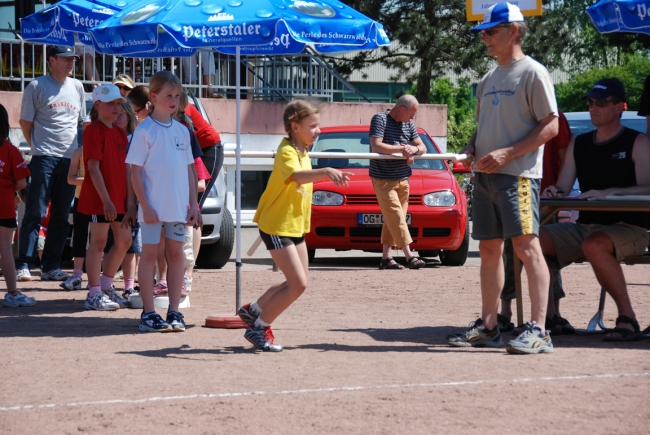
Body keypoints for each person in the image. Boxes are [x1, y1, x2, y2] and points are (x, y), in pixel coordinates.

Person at [445, 2, 559, 355]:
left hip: (518, 177)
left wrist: (508, 154)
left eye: (491, 31)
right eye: (482, 32)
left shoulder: (533, 72)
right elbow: (482, 131)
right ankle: (489, 326)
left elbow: (551, 125)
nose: (484, 38)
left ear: (513, 31)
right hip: (485, 176)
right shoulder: (487, 79)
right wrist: (469, 150)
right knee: (490, 250)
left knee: (526, 248)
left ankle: (540, 329)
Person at [237, 100, 353, 352]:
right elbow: (297, 177)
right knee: (297, 284)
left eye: (318, 125)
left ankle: (253, 310)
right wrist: (327, 171)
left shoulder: (303, 151)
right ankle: (258, 328)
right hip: (277, 226)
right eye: (312, 126)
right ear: (294, 126)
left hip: (294, 227)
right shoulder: (287, 151)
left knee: (297, 282)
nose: (318, 130)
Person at [540, 78, 650, 341]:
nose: (594, 107)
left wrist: (612, 192)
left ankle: (627, 319)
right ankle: (550, 316)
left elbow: (648, 189)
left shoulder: (639, 142)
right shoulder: (580, 143)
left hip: (631, 228)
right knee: (531, 241)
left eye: (601, 102)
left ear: (620, 107)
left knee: (594, 244)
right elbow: (563, 187)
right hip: (586, 227)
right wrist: (554, 192)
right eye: (591, 102)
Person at [126, 71, 199, 332]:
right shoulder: (144, 130)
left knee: (176, 255)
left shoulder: (182, 130)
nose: (174, 100)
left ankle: (174, 312)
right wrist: (143, 205)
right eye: (169, 95)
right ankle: (148, 313)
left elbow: (190, 169)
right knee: (149, 256)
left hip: (179, 209)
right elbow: (134, 171)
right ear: (153, 97)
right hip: (152, 210)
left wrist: (194, 204)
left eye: (177, 96)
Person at [498, 110, 574, 335]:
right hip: (513, 191)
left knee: (547, 253)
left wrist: (557, 194)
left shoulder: (555, 114)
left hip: (544, 195)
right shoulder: (508, 110)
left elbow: (563, 157)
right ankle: (505, 312)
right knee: (509, 253)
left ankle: (552, 314)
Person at [16, 45, 86, 283]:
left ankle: (51, 265)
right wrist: (36, 146)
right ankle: (24, 264)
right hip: (44, 157)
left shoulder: (77, 86)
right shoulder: (36, 86)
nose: (70, 63)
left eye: (73, 59)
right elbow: (25, 122)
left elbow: (81, 124)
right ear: (52, 60)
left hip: (69, 159)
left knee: (61, 214)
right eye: (65, 59)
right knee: (35, 210)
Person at [78, 84, 134, 311]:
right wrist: (107, 201)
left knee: (125, 241)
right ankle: (93, 293)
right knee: (98, 243)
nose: (117, 107)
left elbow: (128, 169)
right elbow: (93, 168)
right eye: (112, 103)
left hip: (119, 198)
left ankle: (106, 286)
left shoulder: (120, 131)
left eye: (119, 103)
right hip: (99, 199)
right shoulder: (93, 130)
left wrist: (130, 202)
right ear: (98, 105)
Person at [369, 94, 427, 270]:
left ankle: (386, 257)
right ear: (402, 108)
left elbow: (422, 147)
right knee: (397, 217)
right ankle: (410, 256)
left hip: (403, 179)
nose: (413, 118)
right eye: (411, 114)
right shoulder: (380, 119)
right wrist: (404, 149)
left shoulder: (408, 123)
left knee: (393, 219)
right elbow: (376, 145)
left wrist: (414, 149)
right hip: (383, 179)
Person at [0, 103, 34, 307]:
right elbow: (22, 182)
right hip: (4, 206)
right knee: (5, 248)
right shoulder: (10, 150)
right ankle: (12, 293)